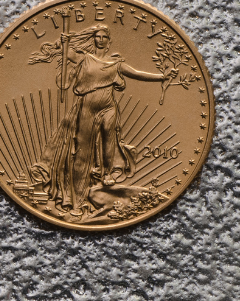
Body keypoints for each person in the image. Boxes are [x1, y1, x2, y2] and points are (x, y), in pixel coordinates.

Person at [28, 24, 175, 219]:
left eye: (104, 36)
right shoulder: (84, 58)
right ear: (93, 38)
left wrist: (162, 77)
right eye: (97, 36)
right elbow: (66, 51)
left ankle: (108, 174)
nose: (100, 39)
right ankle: (76, 203)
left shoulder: (116, 63)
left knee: (109, 141)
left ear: (109, 41)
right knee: (82, 155)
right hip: (86, 108)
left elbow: (138, 74)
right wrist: (65, 42)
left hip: (108, 106)